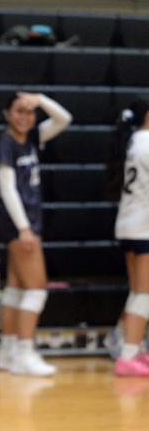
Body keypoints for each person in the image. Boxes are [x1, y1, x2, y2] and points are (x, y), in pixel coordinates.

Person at [0, 92, 71, 376]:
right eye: (19, 111)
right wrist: (24, 227)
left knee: (16, 289)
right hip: (20, 224)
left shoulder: (34, 137)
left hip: (24, 223)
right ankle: (25, 353)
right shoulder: (6, 144)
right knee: (37, 289)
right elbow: (7, 188)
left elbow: (64, 118)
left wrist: (40, 99)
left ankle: (8, 351)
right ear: (6, 114)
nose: (25, 117)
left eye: (29, 112)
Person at [108, 97, 149, 377]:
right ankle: (129, 354)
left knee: (138, 291)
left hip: (128, 223)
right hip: (143, 225)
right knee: (143, 294)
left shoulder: (132, 140)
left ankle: (128, 345)